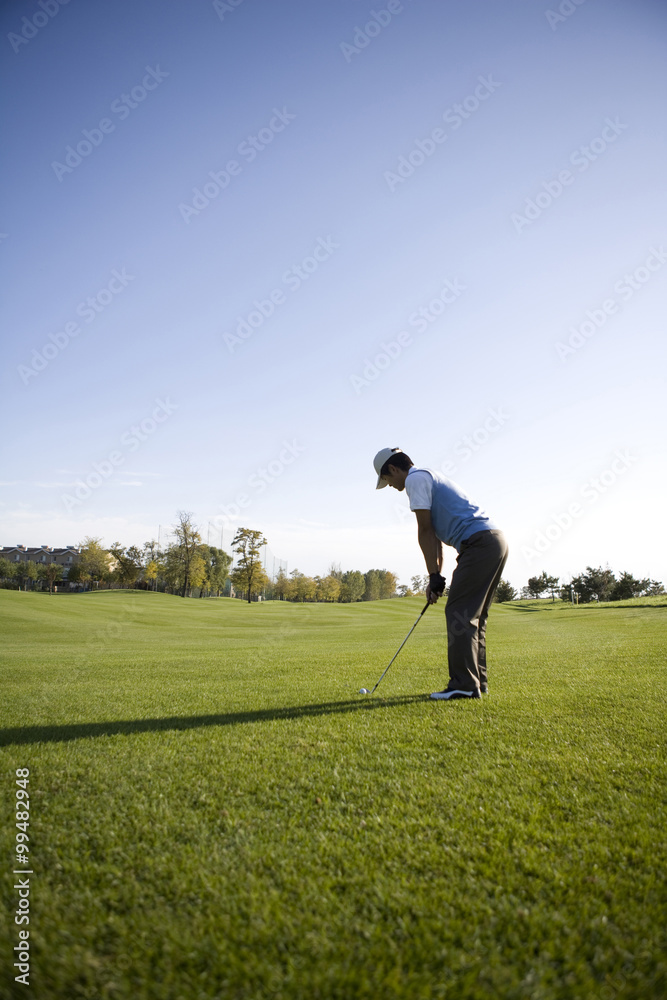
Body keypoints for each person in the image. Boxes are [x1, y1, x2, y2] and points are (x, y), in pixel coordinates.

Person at [373, 447, 508, 700]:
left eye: (387, 479)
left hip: (479, 544)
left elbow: (424, 530)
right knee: (474, 616)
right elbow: (435, 537)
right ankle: (478, 683)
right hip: (494, 541)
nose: (389, 485)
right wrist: (435, 576)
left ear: (392, 469)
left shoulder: (415, 479)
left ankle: (465, 686)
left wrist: (433, 575)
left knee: (459, 613)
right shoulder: (428, 476)